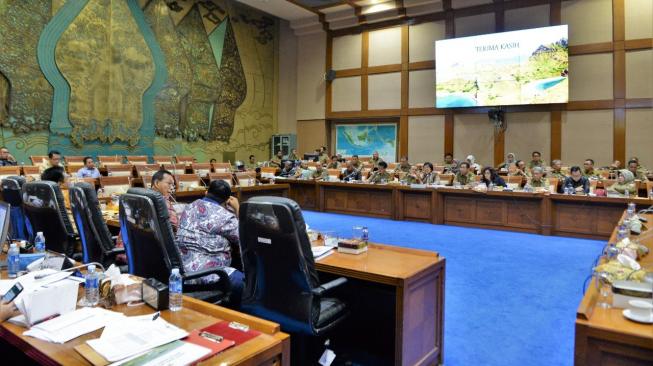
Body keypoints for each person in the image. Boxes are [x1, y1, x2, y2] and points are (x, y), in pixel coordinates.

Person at [176, 180, 244, 307]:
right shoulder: (224, 216)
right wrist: (238, 208)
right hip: (208, 273)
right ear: (227, 200)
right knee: (249, 285)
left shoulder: (189, 206)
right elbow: (244, 238)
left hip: (182, 270)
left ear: (206, 192)